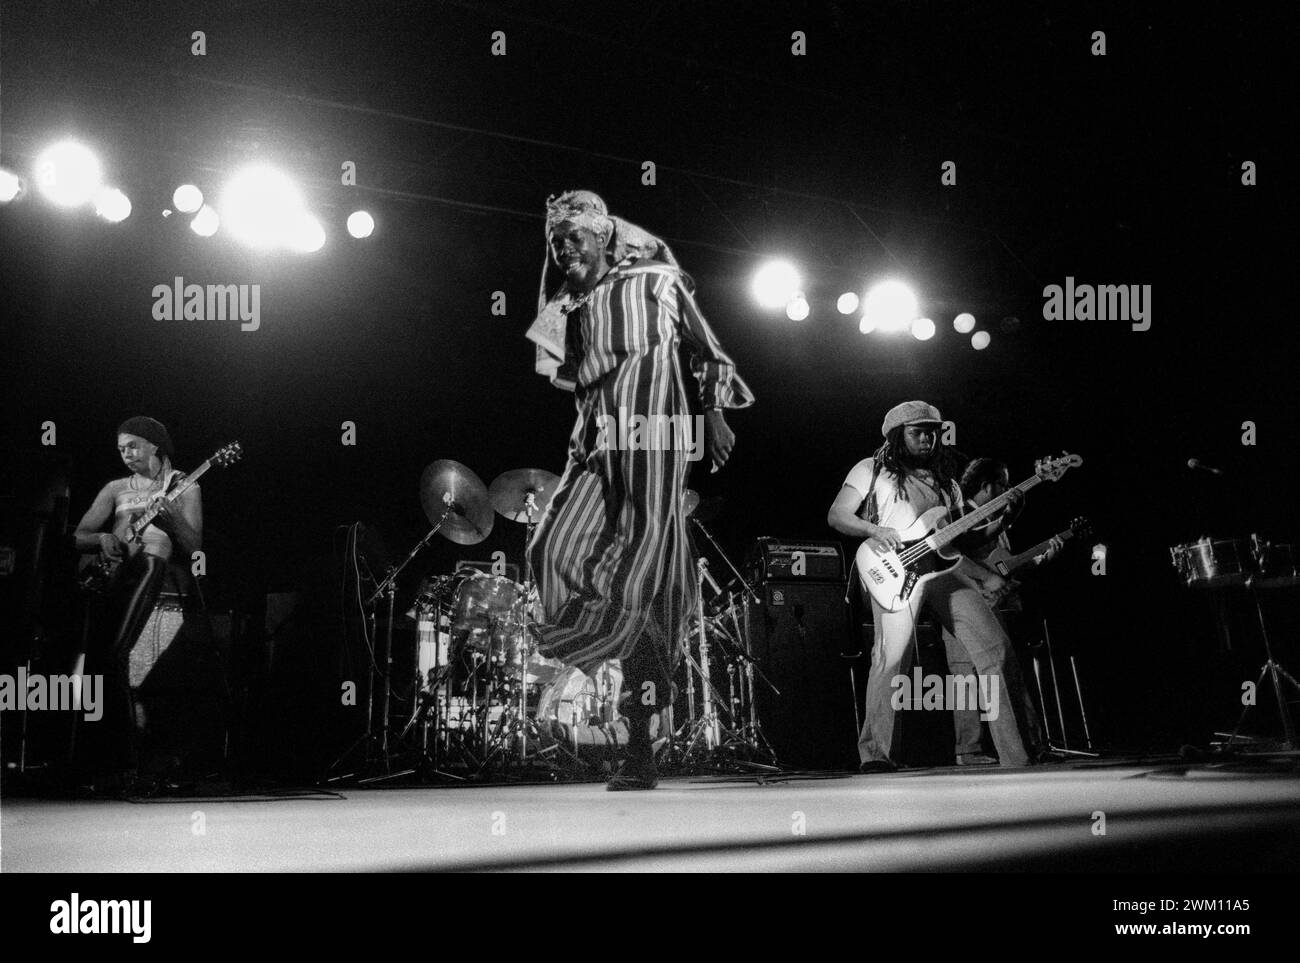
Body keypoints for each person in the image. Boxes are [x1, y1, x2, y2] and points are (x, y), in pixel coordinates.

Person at [525, 190, 754, 790]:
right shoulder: (566, 304)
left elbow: (707, 351)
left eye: (575, 235)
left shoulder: (656, 279)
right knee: (547, 547)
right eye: (556, 240)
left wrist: (715, 414)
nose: (564, 247)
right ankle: (599, 635)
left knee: (643, 580)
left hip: (656, 435)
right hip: (597, 441)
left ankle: (639, 746)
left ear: (604, 235)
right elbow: (568, 377)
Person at [826, 401, 1042, 770]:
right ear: (897, 436)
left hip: (945, 571)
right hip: (894, 571)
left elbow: (967, 542)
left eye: (932, 431)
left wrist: (1007, 517)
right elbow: (837, 515)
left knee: (996, 647)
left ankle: (1018, 754)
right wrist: (875, 530)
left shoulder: (948, 485)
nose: (927, 438)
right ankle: (876, 756)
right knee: (891, 660)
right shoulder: (870, 469)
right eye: (917, 432)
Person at [73, 417, 202, 788]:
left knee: (118, 656)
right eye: (120, 449)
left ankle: (132, 759)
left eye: (132, 446)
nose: (125, 454)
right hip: (111, 577)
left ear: (154, 446)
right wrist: (101, 540)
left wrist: (173, 522)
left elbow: (195, 548)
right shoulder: (115, 488)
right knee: (99, 659)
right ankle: (104, 759)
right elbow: (77, 536)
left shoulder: (184, 486)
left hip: (153, 573)